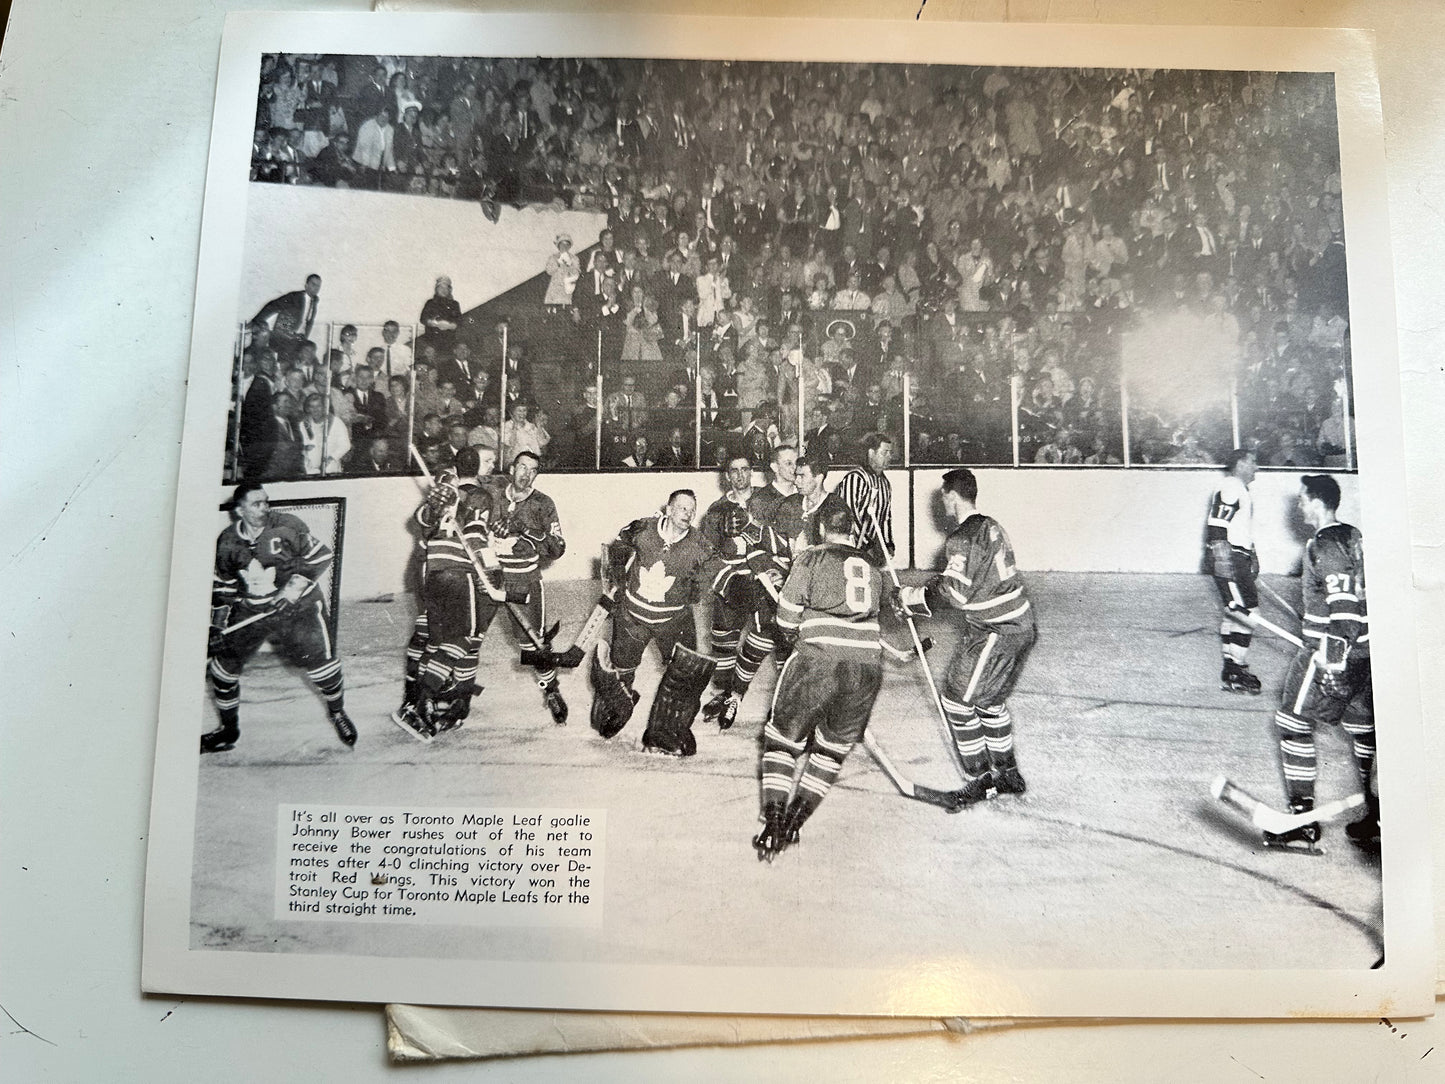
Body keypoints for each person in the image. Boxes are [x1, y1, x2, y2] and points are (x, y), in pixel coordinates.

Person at [752, 502, 911, 861]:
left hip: (818, 661)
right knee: (831, 749)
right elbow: (882, 610)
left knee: (782, 741)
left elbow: (786, 617)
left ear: (822, 529)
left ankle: (775, 821)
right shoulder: (873, 566)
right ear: (853, 532)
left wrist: (795, 631)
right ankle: (795, 822)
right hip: (867, 668)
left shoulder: (810, 558)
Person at [900, 469, 1036, 802]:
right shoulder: (991, 525)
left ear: (952, 495)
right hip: (1020, 625)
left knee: (957, 701)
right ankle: (1008, 775)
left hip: (996, 630)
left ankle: (979, 781)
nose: (942, 502)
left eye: (944, 496)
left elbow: (956, 594)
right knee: (988, 702)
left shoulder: (961, 537)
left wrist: (912, 599)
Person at [1263, 474, 1377, 853]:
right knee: (1365, 732)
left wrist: (1332, 664)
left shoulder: (1323, 544)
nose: (1298, 506)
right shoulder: (1353, 536)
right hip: (1365, 653)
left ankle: (1301, 822)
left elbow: (1343, 610)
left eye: (1302, 500)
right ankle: (1377, 816)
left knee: (1292, 722)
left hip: (1332, 653)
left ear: (1316, 501)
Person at [204, 483, 356, 752]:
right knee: (222, 671)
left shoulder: (286, 525)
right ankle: (228, 731)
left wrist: (290, 592)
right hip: (253, 610)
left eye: (266, 502)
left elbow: (321, 555)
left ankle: (337, 712)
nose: (265, 508)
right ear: (239, 511)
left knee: (322, 667)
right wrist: (215, 626)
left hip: (299, 606)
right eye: (256, 504)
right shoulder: (227, 541)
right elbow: (223, 589)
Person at [591, 489, 714, 755]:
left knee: (687, 673)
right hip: (633, 616)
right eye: (682, 508)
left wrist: (702, 586)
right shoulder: (643, 528)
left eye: (692, 510)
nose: (688, 514)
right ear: (668, 510)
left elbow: (711, 577)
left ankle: (668, 729)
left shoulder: (701, 545)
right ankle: (619, 704)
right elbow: (614, 549)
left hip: (673, 620)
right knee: (621, 671)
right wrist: (615, 578)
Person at [394, 446, 502, 740]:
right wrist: (493, 573)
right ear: (476, 466)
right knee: (465, 637)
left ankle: (416, 696)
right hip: (457, 572)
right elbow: (477, 538)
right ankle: (423, 701)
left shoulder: (444, 486)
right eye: (489, 461)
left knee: (430, 634)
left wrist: (432, 508)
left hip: (431, 571)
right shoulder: (479, 495)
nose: (492, 466)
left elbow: (421, 521)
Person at [478, 451, 569, 724]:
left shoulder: (543, 503)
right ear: (511, 468)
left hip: (523, 580)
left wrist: (525, 529)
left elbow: (558, 548)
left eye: (532, 470)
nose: (526, 474)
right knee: (469, 635)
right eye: (522, 467)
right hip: (488, 576)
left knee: (535, 643)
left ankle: (552, 691)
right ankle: (455, 690)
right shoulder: (491, 494)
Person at [1207, 449, 1263, 694]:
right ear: (1240, 463)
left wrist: (1252, 553)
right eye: (1253, 462)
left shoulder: (1239, 488)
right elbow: (1218, 523)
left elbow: (1238, 528)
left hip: (1238, 555)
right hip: (1230, 557)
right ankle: (1235, 670)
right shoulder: (1231, 486)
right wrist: (1223, 559)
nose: (1256, 468)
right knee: (1247, 613)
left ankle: (1232, 668)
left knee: (1234, 613)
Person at [834, 431, 895, 562]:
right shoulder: (855, 478)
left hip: (867, 548)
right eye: (884, 453)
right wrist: (869, 544)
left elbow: (885, 517)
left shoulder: (885, 483)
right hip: (847, 548)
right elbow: (848, 515)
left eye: (890, 453)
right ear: (871, 453)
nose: (889, 457)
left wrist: (887, 543)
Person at [250, 274, 321, 365]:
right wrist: (256, 321)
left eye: (318, 286)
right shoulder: (294, 297)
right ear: (306, 285)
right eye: (313, 284)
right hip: (283, 338)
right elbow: (273, 305)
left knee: (310, 360)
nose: (316, 288)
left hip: (299, 340)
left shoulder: (314, 301)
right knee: (285, 363)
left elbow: (309, 322)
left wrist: (304, 338)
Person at [747, 444, 799, 533]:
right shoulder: (760, 500)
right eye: (788, 463)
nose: (795, 468)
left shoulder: (805, 494)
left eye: (797, 463)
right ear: (775, 467)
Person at [297, 393, 349, 475]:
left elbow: (345, 445)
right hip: (309, 470)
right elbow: (298, 445)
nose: (315, 410)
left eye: (318, 406)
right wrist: (304, 448)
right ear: (308, 408)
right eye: (312, 407)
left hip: (331, 468)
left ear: (325, 407)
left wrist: (331, 458)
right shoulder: (303, 425)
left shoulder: (336, 422)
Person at [420, 275, 461, 357]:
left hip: (449, 342)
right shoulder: (430, 303)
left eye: (446, 288)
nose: (444, 290)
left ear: (450, 290)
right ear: (436, 289)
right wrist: (435, 324)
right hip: (432, 341)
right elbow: (423, 318)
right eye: (441, 288)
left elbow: (459, 321)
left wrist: (449, 326)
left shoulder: (454, 304)